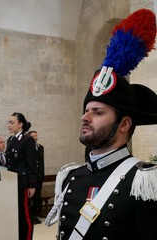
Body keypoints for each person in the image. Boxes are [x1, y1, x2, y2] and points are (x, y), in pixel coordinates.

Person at [45, 9, 157, 240]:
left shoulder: (144, 181)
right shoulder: (70, 176)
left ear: (124, 123)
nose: (85, 118)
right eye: (86, 111)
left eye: (98, 112)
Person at [6, 112, 37, 240]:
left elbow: (32, 163)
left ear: (20, 124)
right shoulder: (11, 140)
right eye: (9, 122)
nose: (9, 125)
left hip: (23, 183)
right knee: (17, 215)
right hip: (12, 183)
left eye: (11, 122)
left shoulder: (27, 139)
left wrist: (32, 185)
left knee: (25, 217)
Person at [28, 130, 45, 224]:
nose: (35, 137)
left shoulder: (40, 147)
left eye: (36, 136)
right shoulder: (28, 148)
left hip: (39, 176)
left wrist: (42, 175)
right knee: (30, 197)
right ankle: (30, 216)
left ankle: (34, 215)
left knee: (37, 197)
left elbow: (41, 163)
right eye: (33, 136)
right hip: (32, 177)